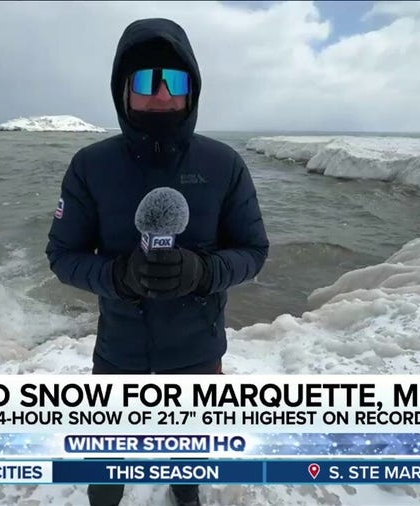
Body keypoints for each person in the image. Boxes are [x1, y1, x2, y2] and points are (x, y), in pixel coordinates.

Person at [45, 17, 269, 506]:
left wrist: (204, 272)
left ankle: (184, 490)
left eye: (176, 82)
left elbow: (254, 251)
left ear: (193, 90)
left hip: (198, 350)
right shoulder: (91, 166)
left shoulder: (223, 164)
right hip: (119, 351)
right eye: (147, 81)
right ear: (123, 90)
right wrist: (117, 275)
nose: (162, 94)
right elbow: (62, 256)